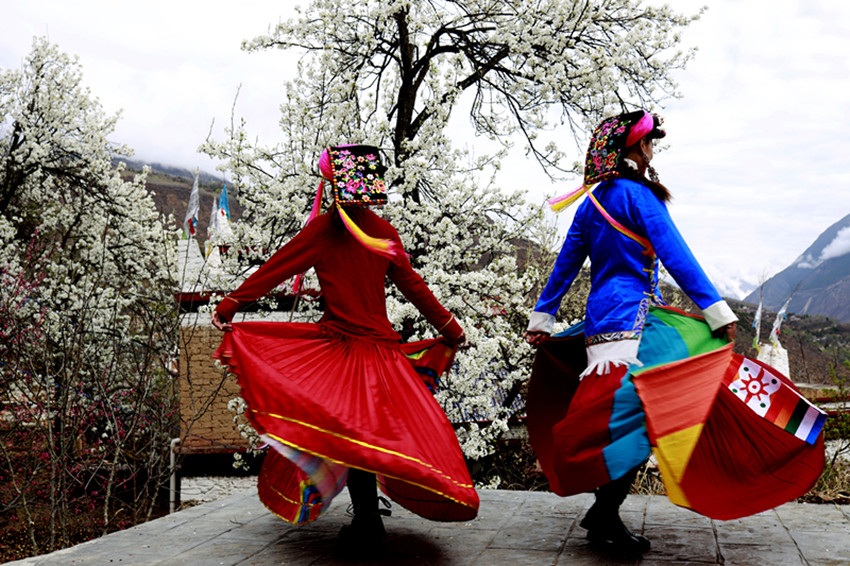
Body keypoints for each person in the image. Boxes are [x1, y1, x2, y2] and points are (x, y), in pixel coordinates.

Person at [211, 145, 478, 554]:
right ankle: (369, 515)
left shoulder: (325, 229)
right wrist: (451, 330)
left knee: (350, 433)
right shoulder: (384, 232)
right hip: (382, 355)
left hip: (341, 352)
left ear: (335, 184)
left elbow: (277, 267)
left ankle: (368, 518)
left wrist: (231, 304)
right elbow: (415, 287)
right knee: (372, 433)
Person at [523, 111, 737, 558]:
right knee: (645, 416)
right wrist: (714, 310)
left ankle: (604, 510)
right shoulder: (640, 197)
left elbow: (565, 265)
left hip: (600, 324)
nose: (652, 150)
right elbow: (676, 254)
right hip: (635, 318)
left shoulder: (591, 204)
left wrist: (543, 317)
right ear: (638, 149)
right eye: (650, 143)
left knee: (628, 418)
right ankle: (605, 513)